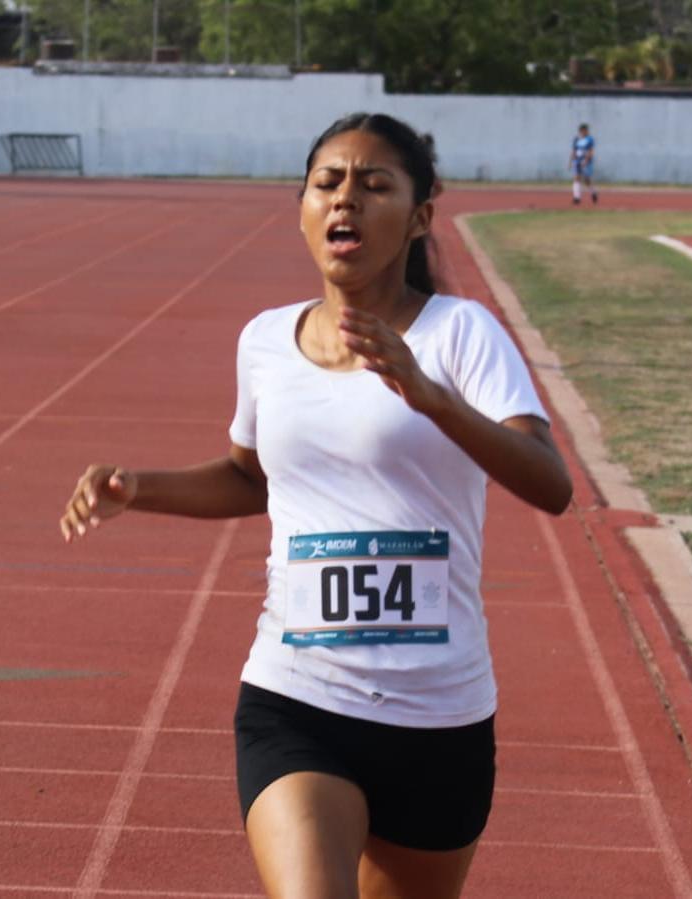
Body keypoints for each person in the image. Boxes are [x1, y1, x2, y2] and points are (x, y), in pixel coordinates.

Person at [59, 112, 573, 899]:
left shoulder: (460, 333)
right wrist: (140, 486)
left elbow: (550, 482)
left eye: (374, 185)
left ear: (419, 217)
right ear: (301, 207)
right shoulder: (265, 341)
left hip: (438, 713)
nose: (345, 200)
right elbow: (252, 479)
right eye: (327, 183)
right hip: (298, 695)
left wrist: (431, 396)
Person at [568, 122, 598, 206]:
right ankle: (576, 198)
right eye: (581, 131)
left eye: (584, 130)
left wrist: (586, 161)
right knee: (576, 178)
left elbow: (591, 151)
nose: (583, 132)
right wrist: (570, 162)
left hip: (586, 161)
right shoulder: (577, 139)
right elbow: (574, 151)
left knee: (587, 180)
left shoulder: (590, 139)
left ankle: (593, 192)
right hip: (577, 161)